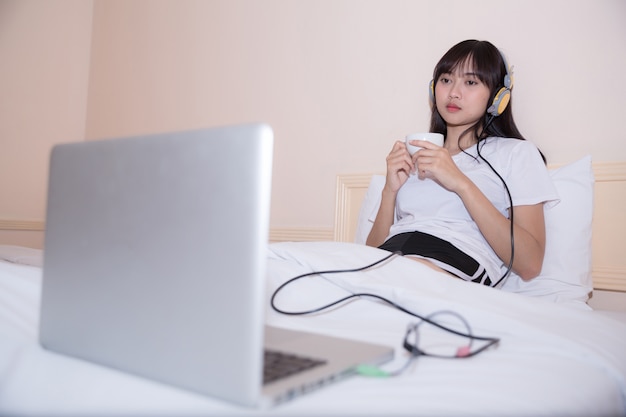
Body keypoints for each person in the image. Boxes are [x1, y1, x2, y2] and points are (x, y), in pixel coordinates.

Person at [366, 40, 558, 287]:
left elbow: (530, 263)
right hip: (389, 261)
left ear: (498, 97)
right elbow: (371, 253)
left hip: (454, 267)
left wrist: (460, 183)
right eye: (446, 80)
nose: (454, 92)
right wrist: (389, 191)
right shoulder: (416, 153)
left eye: (470, 82)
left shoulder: (517, 153)